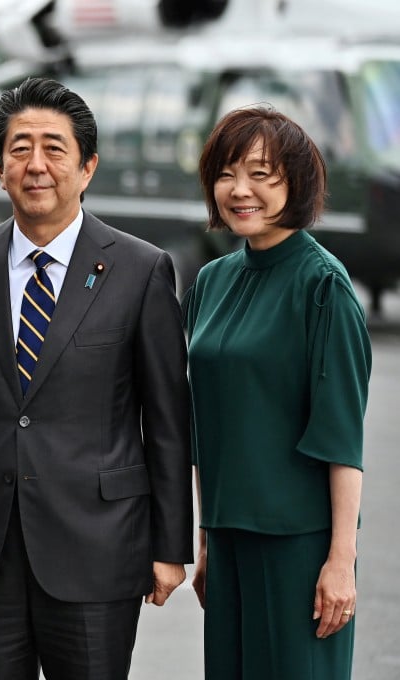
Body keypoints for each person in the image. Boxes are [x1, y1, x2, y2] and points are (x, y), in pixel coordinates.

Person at [0, 76, 193, 680]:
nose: (35, 165)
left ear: (88, 167)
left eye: (54, 148)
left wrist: (172, 547)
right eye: (19, 148)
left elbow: (168, 421)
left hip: (98, 546)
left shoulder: (141, 269)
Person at [184, 106, 371, 679]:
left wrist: (341, 561)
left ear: (297, 182)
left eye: (262, 174)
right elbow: (207, 419)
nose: (240, 190)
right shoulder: (212, 281)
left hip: (299, 546)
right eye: (227, 172)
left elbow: (341, 437)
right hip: (229, 539)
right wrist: (207, 537)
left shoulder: (324, 286)